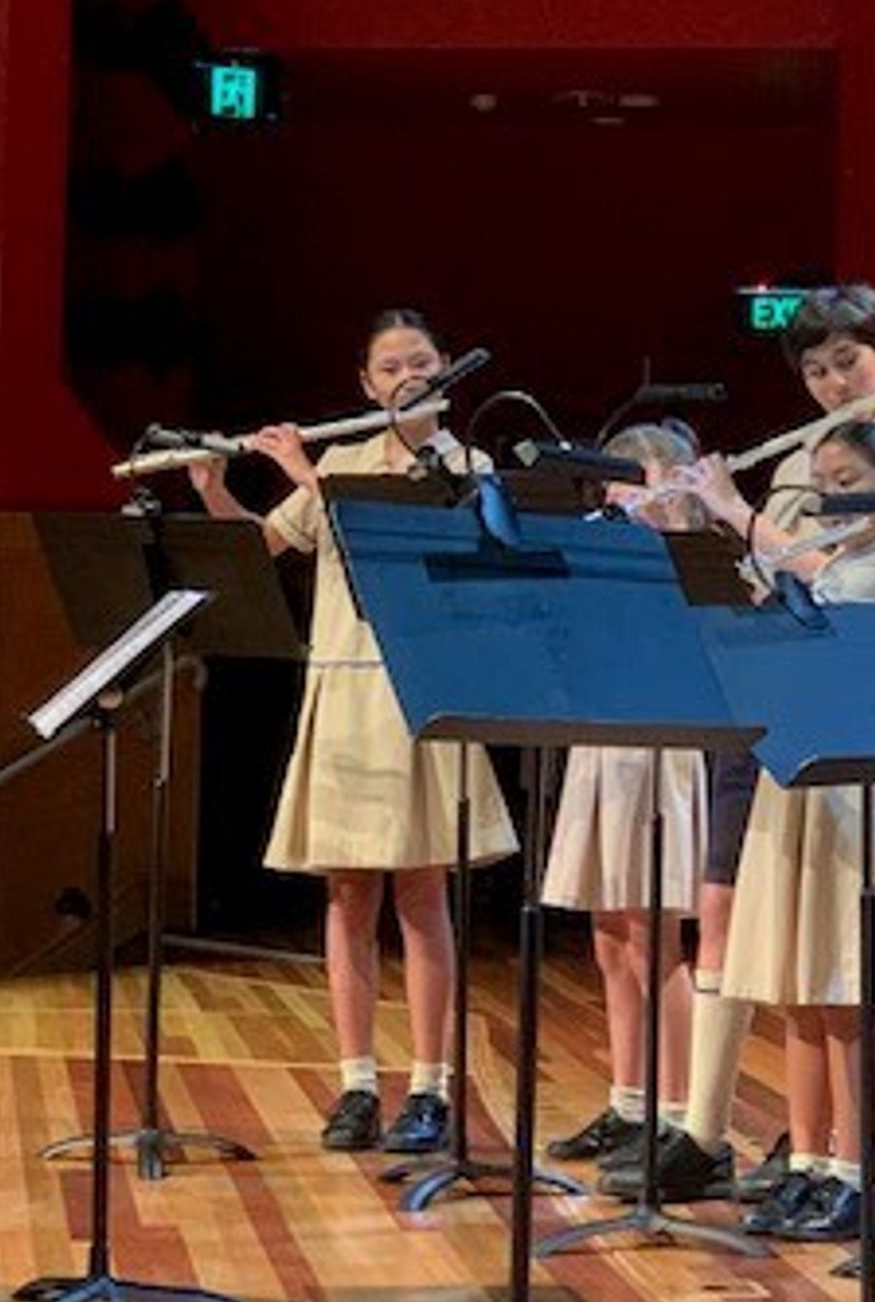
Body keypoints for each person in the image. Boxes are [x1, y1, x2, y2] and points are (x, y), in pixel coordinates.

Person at [606, 283, 875, 1205]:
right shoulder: (802, 457)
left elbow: (839, 572)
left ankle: (831, 1160)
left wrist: (733, 509)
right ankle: (739, 1139)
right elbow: (768, 577)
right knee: (758, 936)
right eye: (817, 369)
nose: (834, 383)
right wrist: (687, 519)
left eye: (849, 362)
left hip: (846, 737)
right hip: (769, 708)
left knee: (833, 969)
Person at [188, 309, 518, 1153]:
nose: (408, 376)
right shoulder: (342, 461)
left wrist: (304, 472)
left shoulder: (467, 468)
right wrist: (215, 489)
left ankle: (431, 1088)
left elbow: (398, 547)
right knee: (347, 892)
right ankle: (358, 1082)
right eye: (390, 368)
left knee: (421, 892)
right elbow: (260, 546)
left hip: (419, 693)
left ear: (448, 368)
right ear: (366, 386)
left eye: (421, 361)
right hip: (342, 691)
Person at [705, 419, 875, 1240]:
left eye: (851, 483)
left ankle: (856, 1176)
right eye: (826, 484)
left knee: (843, 994)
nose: (836, 499)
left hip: (852, 792)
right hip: (800, 779)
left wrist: (774, 592)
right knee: (798, 988)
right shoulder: (833, 566)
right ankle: (805, 1162)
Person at [540, 426, 707, 1163]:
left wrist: (669, 519)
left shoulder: (689, 554)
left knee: (653, 937)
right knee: (609, 933)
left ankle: (680, 1114)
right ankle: (629, 1103)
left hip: (658, 744)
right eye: (619, 480)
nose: (625, 495)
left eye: (642, 480)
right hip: (601, 737)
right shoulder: (599, 545)